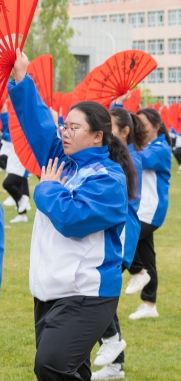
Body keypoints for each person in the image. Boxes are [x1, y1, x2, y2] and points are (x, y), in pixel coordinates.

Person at [9, 49, 136, 381]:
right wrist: (22, 77)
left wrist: (46, 189)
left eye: (74, 128)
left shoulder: (108, 179)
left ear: (97, 136)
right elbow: (38, 126)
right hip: (52, 289)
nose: (64, 132)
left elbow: (73, 220)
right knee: (68, 370)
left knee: (50, 366)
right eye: (65, 125)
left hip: (87, 295)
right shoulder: (64, 162)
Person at [91, 106, 147, 380]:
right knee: (100, 294)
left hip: (123, 236)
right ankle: (115, 363)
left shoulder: (130, 160)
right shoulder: (119, 156)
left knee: (99, 293)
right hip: (119, 232)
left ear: (124, 131)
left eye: (109, 126)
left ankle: (113, 348)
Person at [125, 108, 172, 320]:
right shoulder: (144, 146)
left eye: (143, 124)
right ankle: (150, 305)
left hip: (150, 211)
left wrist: (123, 143)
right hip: (141, 209)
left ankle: (137, 272)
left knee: (124, 235)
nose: (139, 128)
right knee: (148, 256)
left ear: (156, 126)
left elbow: (140, 159)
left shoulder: (161, 148)